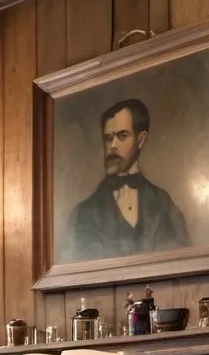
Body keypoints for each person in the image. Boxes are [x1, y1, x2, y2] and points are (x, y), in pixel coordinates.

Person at [61, 98, 191, 264]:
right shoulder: (81, 214)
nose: (113, 146)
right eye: (108, 138)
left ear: (141, 140)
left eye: (122, 136)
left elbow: (182, 263)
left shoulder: (163, 205)